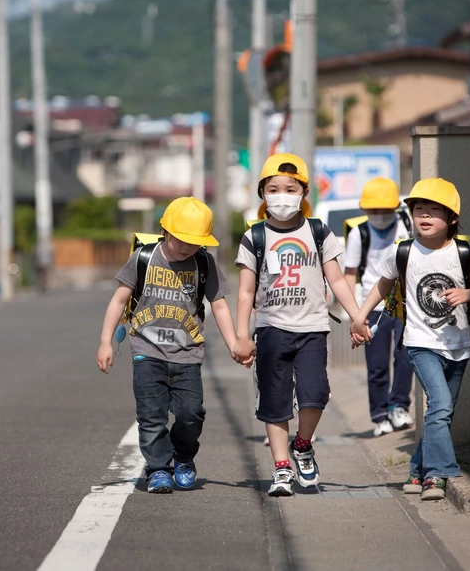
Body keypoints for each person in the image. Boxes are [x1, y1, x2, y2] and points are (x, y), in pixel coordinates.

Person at [350, 178, 470, 501]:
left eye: (432, 210)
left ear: (451, 218)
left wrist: (469, 293)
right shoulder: (404, 251)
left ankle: (416, 470)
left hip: (458, 346)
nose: (423, 215)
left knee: (442, 411)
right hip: (420, 343)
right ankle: (438, 475)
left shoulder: (466, 252)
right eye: (418, 209)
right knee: (441, 404)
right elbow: (381, 286)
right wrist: (360, 316)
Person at [232, 153, 367, 497]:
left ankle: (303, 445)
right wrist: (241, 336)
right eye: (273, 188)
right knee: (275, 401)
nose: (281, 195)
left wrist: (356, 315)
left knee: (316, 393)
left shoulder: (319, 231)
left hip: (312, 328)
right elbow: (246, 291)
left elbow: (336, 280)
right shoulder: (255, 237)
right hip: (271, 329)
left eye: (290, 188)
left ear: (304, 192)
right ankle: (281, 469)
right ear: (262, 193)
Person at [96, 197, 245, 493]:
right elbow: (119, 300)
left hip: (188, 354)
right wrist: (105, 342)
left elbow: (219, 305)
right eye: (181, 240)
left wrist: (234, 343)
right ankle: (158, 469)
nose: (188, 246)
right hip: (146, 352)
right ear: (165, 231)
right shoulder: (144, 258)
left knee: (192, 415)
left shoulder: (204, 262)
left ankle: (184, 458)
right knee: (151, 417)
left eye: (195, 241)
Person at [344, 177, 414, 437]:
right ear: (364, 210)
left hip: (404, 303)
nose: (380, 216)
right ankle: (380, 415)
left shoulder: (406, 225)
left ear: (396, 207)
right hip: (373, 306)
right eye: (374, 210)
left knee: (406, 357)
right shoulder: (358, 232)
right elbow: (350, 273)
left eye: (386, 210)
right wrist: (354, 313)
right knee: (377, 364)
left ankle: (399, 406)